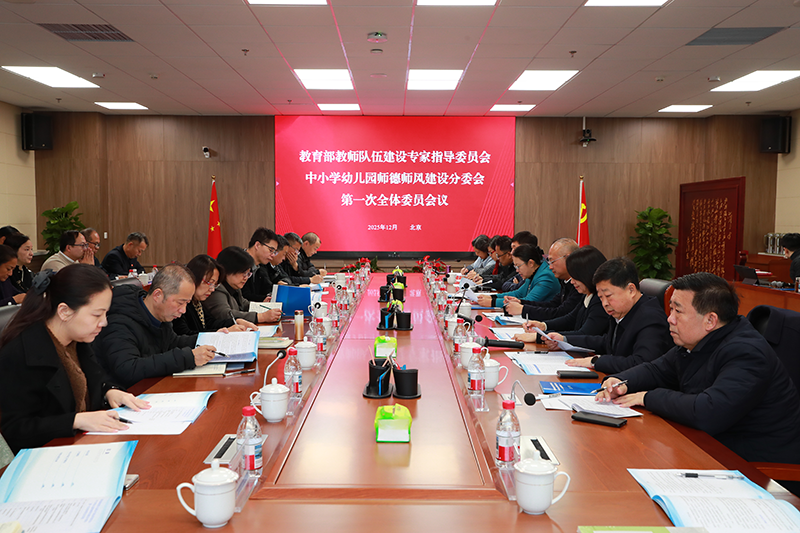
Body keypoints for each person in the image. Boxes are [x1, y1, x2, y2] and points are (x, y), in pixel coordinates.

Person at [597, 272, 800, 468]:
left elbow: (708, 411)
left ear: (710, 320)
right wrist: (620, 382)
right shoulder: (696, 341)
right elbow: (656, 370)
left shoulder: (747, 353)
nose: (670, 319)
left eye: (678, 311)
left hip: (757, 467)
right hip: (712, 448)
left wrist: (647, 397)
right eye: (670, 309)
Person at [0, 265, 150, 453]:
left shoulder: (78, 340)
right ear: (64, 311)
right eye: (97, 315)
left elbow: (94, 381)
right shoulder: (21, 353)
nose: (104, 322)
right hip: (48, 456)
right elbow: (16, 430)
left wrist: (109, 392)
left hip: (85, 445)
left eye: (105, 313)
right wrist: (75, 420)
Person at [93, 264, 217, 387]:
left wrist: (211, 338)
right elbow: (128, 369)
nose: (183, 310)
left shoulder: (160, 315)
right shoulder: (120, 322)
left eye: (187, 303)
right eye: (180, 303)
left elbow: (171, 342)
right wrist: (188, 358)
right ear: (158, 295)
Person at [556, 257, 672, 374]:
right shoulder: (623, 311)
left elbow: (641, 363)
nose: (605, 303)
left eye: (608, 296)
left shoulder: (651, 318)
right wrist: (564, 340)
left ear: (631, 290)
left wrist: (595, 361)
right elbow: (607, 342)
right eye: (601, 297)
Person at [515, 246, 609, 342]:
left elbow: (585, 334)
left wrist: (540, 337)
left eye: (575, 277)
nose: (572, 281)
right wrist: (544, 326)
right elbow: (570, 319)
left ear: (587, 274)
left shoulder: (599, 301)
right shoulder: (587, 295)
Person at [173, 255, 257, 336]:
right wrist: (219, 333)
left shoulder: (197, 302)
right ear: (194, 278)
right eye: (210, 283)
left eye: (215, 284)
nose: (212, 289)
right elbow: (184, 335)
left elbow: (210, 323)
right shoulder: (181, 304)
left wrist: (235, 321)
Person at [504, 238, 581, 319]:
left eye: (553, 261)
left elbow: (560, 312)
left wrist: (523, 309)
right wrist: (521, 302)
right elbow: (552, 304)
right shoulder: (565, 282)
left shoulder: (579, 285)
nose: (550, 267)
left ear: (568, 259)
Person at [203, 246, 281, 326]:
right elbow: (225, 314)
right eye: (244, 273)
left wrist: (262, 306)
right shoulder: (216, 289)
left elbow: (244, 304)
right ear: (227, 270)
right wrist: (261, 317)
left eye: (248, 274)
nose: (246, 278)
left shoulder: (234, 286)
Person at [476, 244, 560, 308]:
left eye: (518, 266)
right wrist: (492, 297)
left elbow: (528, 301)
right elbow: (518, 293)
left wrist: (493, 302)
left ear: (531, 263)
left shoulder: (546, 276)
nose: (517, 270)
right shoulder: (533, 272)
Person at [242, 227, 279, 303]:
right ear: (257, 245)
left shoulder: (262, 265)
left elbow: (267, 287)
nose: (273, 255)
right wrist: (263, 299)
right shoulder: (238, 261)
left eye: (274, 252)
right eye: (271, 250)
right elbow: (243, 295)